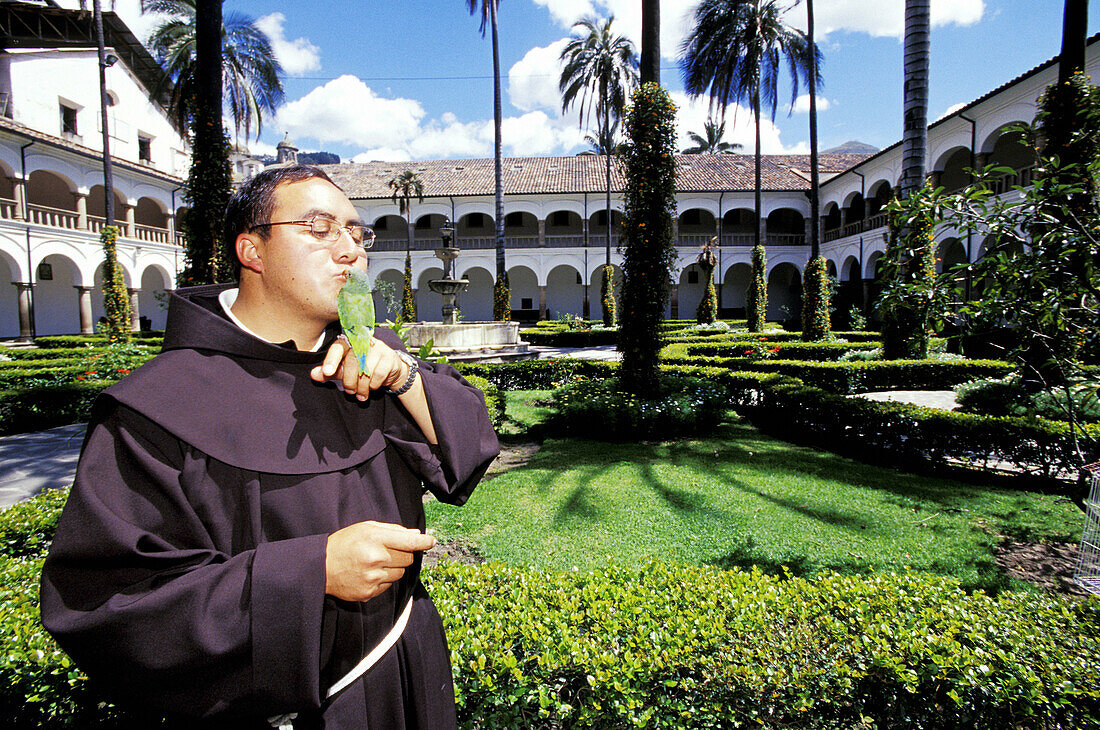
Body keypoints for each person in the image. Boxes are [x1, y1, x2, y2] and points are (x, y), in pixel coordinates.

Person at [40, 165, 500, 729]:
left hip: (399, 671)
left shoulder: (372, 359)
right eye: (318, 228)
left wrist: (404, 376)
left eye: (357, 234)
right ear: (252, 250)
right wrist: (311, 574)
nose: (349, 250)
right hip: (266, 708)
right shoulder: (158, 404)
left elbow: (469, 450)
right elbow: (107, 606)